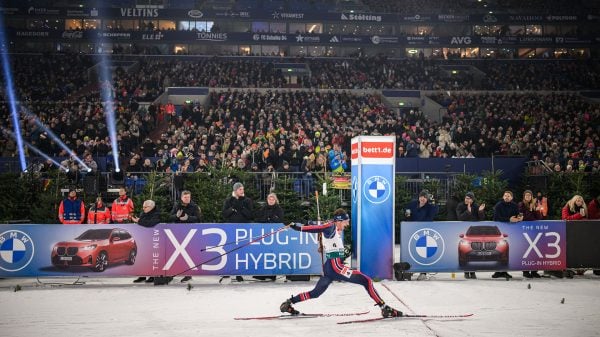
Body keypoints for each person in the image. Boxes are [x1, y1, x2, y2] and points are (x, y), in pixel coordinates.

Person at [280, 208, 402, 318]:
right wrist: (296, 227)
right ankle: (384, 308)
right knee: (367, 281)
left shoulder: (333, 228)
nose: (347, 224)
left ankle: (289, 303)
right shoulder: (331, 226)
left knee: (315, 293)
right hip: (336, 267)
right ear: (339, 221)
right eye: (346, 221)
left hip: (330, 268)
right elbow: (317, 228)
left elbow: (328, 240)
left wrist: (323, 247)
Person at [222, 182, 254, 282]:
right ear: (235, 190)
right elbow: (224, 214)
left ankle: (239, 273)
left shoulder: (247, 201)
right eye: (240, 189)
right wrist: (233, 209)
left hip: (243, 229)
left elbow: (250, 215)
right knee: (231, 250)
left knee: (241, 252)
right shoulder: (229, 200)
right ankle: (229, 271)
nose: (242, 191)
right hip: (231, 229)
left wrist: (242, 208)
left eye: (242, 189)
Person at [404, 190, 439, 280]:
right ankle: (410, 270)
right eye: (421, 197)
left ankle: (423, 272)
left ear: (427, 199)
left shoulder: (430, 207)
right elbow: (407, 213)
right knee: (411, 251)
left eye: (424, 197)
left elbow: (432, 216)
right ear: (418, 197)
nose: (422, 198)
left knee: (423, 252)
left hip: (424, 232)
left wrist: (434, 203)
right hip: (413, 231)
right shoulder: (412, 204)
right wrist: (408, 218)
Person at [169, 190, 202, 282]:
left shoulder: (194, 206)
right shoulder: (177, 206)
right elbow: (170, 217)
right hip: (178, 232)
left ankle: (188, 274)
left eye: (188, 197)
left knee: (188, 253)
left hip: (190, 232)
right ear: (181, 198)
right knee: (176, 253)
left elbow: (198, 219)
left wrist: (188, 218)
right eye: (185, 197)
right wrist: (176, 216)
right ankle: (173, 272)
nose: (187, 199)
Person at [253, 192, 284, 281]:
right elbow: (259, 219)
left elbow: (280, 220)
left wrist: (270, 218)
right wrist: (268, 218)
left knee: (272, 254)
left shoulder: (278, 209)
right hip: (264, 234)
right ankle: (263, 274)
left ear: (275, 200)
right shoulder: (264, 208)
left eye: (272, 199)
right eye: (269, 199)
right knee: (264, 253)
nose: (271, 200)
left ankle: (272, 274)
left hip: (274, 235)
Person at [492, 190, 522, 279]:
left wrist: (519, 218)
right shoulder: (498, 205)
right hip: (499, 231)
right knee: (498, 250)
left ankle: (504, 271)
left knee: (506, 251)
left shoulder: (514, 205)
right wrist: (509, 219)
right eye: (505, 195)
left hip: (511, 231)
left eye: (508, 196)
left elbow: (517, 216)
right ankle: (497, 271)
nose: (506, 197)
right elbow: (496, 218)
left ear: (511, 197)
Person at [456, 191, 485, 279]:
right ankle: (466, 271)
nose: (467, 200)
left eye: (469, 198)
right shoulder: (460, 206)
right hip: (465, 232)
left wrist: (480, 211)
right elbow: (459, 218)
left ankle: (472, 271)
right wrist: (468, 212)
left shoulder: (476, 206)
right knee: (466, 250)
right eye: (466, 198)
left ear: (472, 200)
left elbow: (482, 218)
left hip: (474, 232)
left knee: (474, 251)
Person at [132, 200, 161, 283]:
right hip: (143, 238)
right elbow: (142, 222)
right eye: (143, 207)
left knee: (150, 258)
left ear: (151, 207)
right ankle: (142, 275)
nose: (143, 208)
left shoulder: (156, 213)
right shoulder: (143, 213)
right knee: (142, 257)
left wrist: (139, 221)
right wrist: (138, 221)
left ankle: (152, 276)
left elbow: (151, 223)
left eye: (145, 207)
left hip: (153, 239)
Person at [518, 190, 542, 278]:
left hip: (534, 230)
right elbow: (525, 217)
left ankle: (534, 271)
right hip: (524, 230)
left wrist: (536, 210)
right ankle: (526, 271)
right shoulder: (521, 204)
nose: (528, 197)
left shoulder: (535, 204)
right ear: (524, 196)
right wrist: (531, 209)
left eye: (529, 195)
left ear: (532, 196)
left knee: (535, 251)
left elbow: (539, 218)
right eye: (526, 195)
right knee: (526, 250)